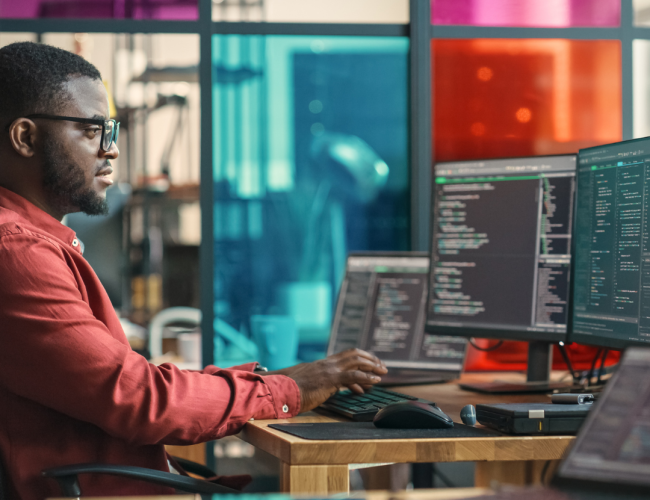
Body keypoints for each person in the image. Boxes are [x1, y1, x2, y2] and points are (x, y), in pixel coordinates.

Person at [0, 42, 387, 500]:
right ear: (25, 137)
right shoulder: (17, 251)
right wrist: (290, 388)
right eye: (92, 130)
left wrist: (276, 380)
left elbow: (131, 386)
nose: (113, 149)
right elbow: (142, 400)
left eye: (112, 130)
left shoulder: (30, 242)